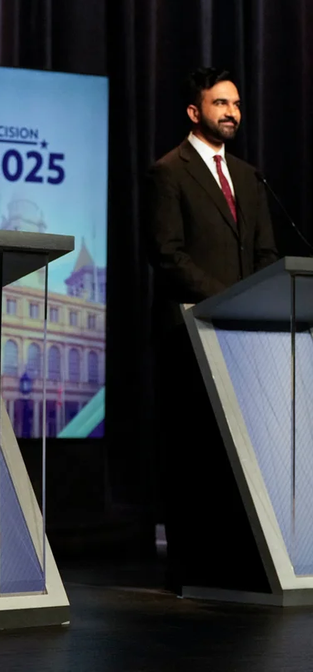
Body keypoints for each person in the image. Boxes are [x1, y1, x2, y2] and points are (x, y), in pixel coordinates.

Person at [145, 67, 278, 593]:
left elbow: (266, 251)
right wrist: (226, 299)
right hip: (191, 333)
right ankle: (190, 570)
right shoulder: (168, 172)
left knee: (241, 453)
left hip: (246, 336)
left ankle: (240, 564)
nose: (232, 112)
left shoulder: (249, 176)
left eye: (237, 104)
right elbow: (167, 254)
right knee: (194, 453)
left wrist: (256, 301)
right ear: (194, 112)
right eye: (220, 103)